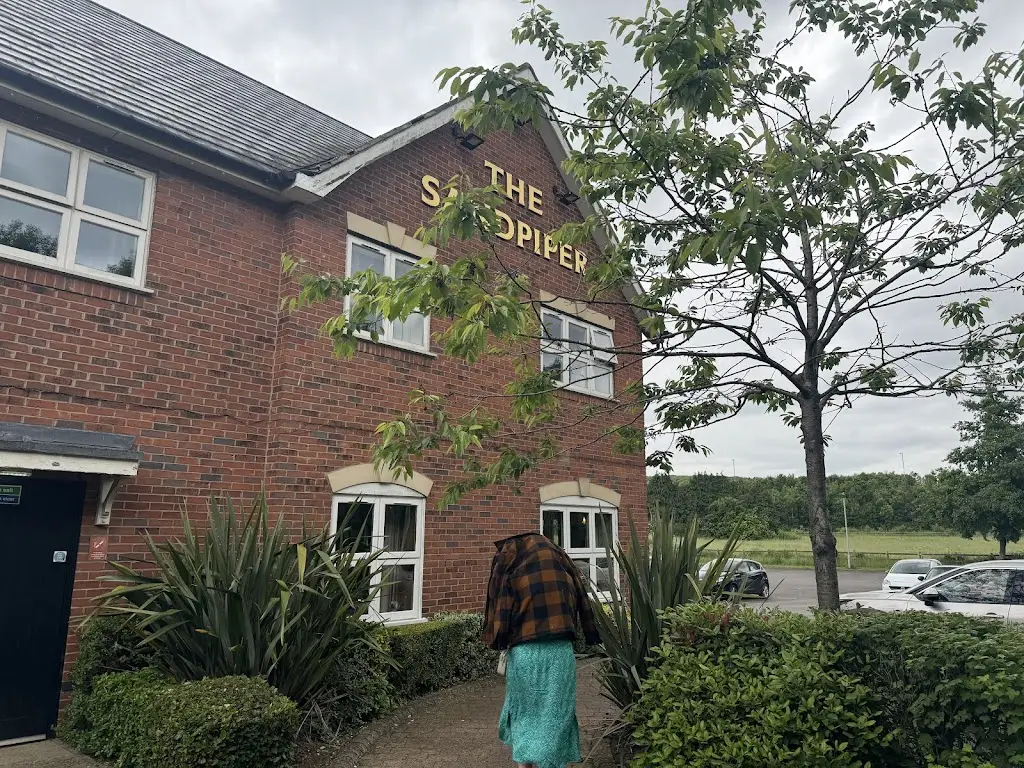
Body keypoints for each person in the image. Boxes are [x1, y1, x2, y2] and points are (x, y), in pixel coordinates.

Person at [483, 532, 601, 768]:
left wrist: (498, 641)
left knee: (524, 714)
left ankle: (525, 764)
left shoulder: (510, 561)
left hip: (524, 652)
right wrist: (591, 634)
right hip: (560, 652)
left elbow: (498, 605)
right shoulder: (561, 561)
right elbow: (582, 597)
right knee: (556, 717)